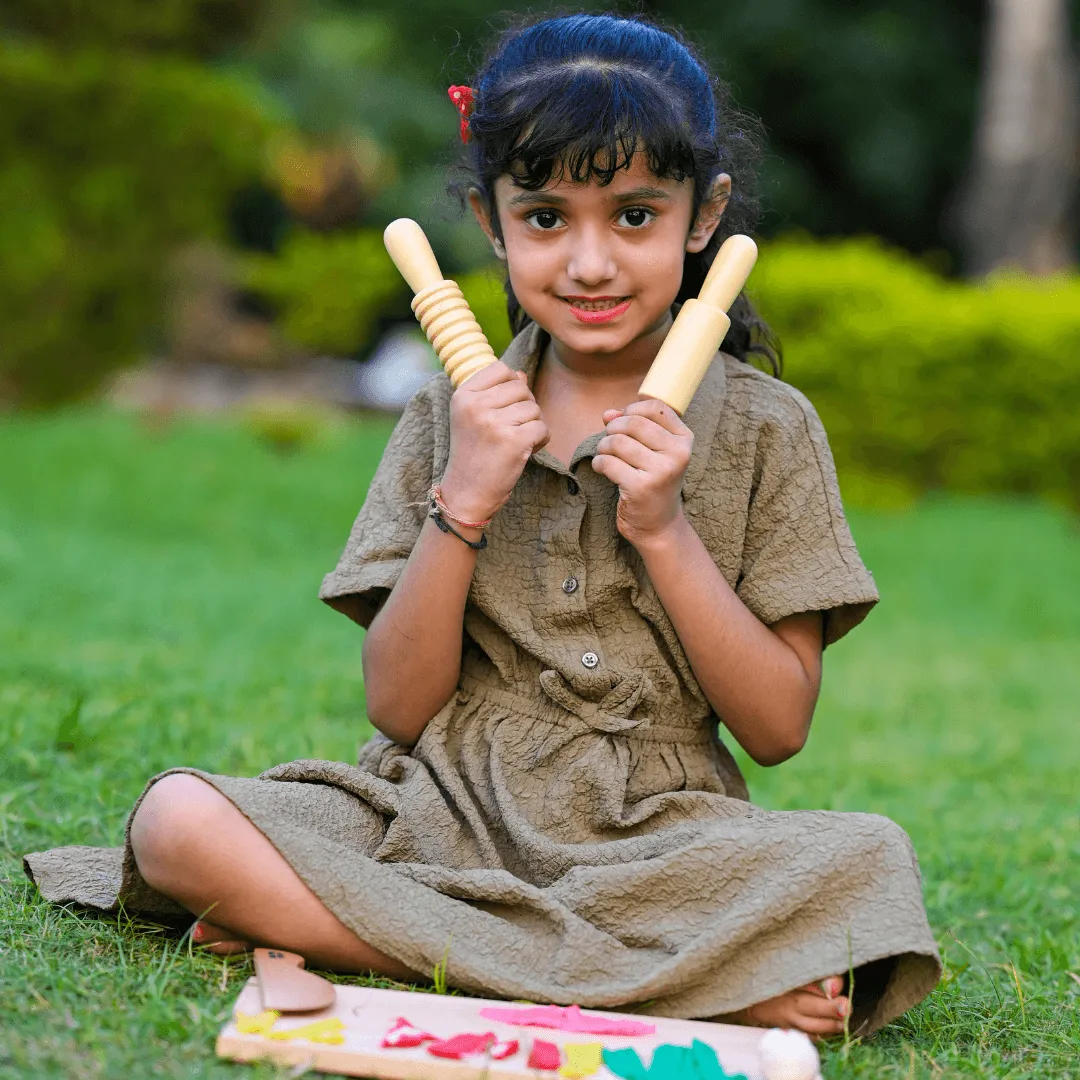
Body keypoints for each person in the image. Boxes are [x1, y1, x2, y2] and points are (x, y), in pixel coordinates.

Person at [24, 13, 940, 1037]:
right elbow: (399, 710)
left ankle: (391, 942)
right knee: (176, 822)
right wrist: (462, 500)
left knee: (870, 862)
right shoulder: (443, 418)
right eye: (547, 218)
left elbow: (777, 731)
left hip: (660, 842)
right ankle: (649, 982)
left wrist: (666, 531)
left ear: (703, 215)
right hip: (437, 812)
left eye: (635, 215)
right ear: (489, 220)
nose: (590, 263)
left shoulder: (774, 430)